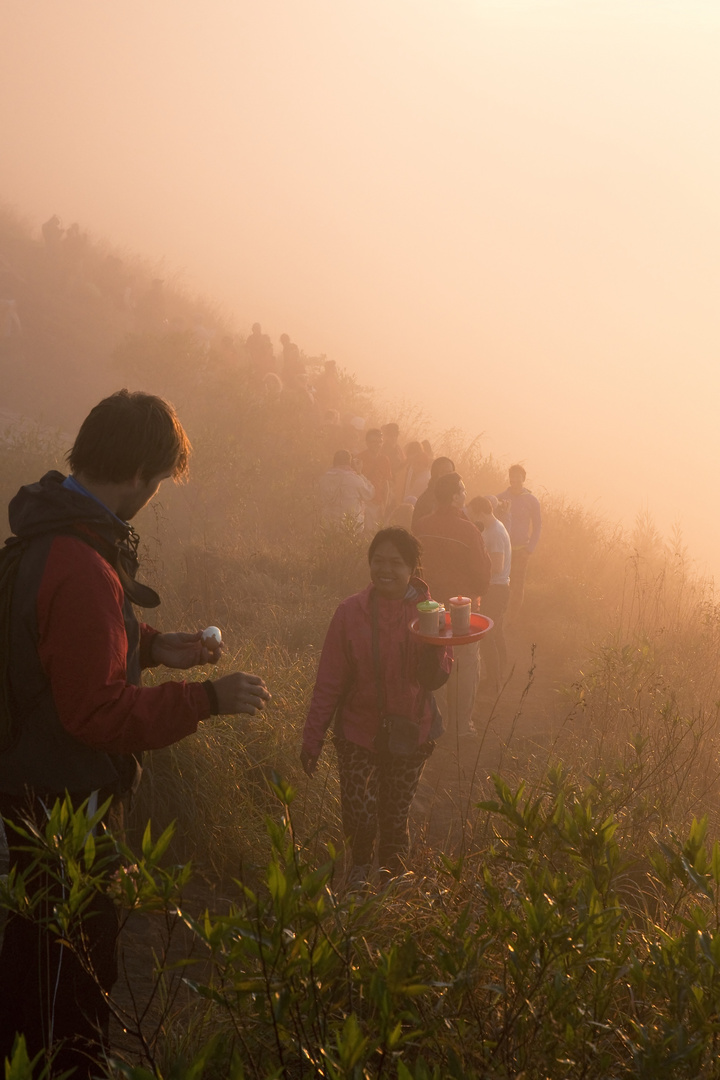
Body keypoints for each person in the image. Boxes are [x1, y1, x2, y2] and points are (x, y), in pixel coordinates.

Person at [0, 390, 271, 1078]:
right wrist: (207, 699)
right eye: (156, 482)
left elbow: (53, 645)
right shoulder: (82, 563)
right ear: (138, 472)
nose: (153, 496)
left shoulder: (49, 531)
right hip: (68, 802)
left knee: (31, 960)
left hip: (29, 786)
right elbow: (98, 713)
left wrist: (152, 646)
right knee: (72, 980)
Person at [300, 527, 451, 883]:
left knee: (395, 818)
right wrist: (312, 739)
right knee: (360, 814)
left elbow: (436, 676)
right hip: (357, 731)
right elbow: (329, 681)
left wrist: (436, 647)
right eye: (378, 561)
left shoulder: (429, 612)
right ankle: (358, 872)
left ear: (413, 569)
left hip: (412, 733)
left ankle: (392, 891)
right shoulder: (349, 612)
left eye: (395, 563)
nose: (385, 570)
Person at [414, 473, 491, 736]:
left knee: (430, 660)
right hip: (461, 609)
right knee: (466, 663)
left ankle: (429, 719)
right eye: (464, 490)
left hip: (427, 606)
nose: (466, 494)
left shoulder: (422, 525)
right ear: (457, 496)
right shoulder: (468, 530)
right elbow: (482, 576)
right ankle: (461, 725)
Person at [467, 496, 511, 693]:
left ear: (481, 513)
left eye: (474, 514)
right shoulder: (495, 528)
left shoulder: (495, 533)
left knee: (487, 634)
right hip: (499, 588)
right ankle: (501, 672)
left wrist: (476, 569)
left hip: (496, 589)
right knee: (497, 632)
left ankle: (493, 680)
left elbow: (498, 566)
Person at [496, 464, 541, 620]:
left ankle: (512, 619)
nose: (515, 480)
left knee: (517, 584)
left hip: (521, 549)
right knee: (501, 581)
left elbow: (537, 527)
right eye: (512, 476)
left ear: (523, 478)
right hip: (502, 548)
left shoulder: (532, 501)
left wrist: (529, 550)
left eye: (518, 477)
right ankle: (499, 613)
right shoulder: (500, 498)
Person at [317, 449, 376, 531]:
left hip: (328, 527)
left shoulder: (324, 479)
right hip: (350, 527)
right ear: (350, 463)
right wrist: (359, 473)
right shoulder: (354, 479)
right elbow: (370, 493)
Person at [357, 428, 393, 534]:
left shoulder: (385, 460)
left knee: (373, 535)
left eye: (380, 442)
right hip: (362, 502)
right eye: (374, 442)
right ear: (367, 443)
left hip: (377, 503)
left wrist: (384, 505)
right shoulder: (359, 458)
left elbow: (386, 484)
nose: (377, 444)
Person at [411, 456, 455, 530]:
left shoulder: (454, 497)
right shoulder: (427, 499)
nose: (448, 476)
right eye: (444, 472)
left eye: (450, 472)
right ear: (435, 475)